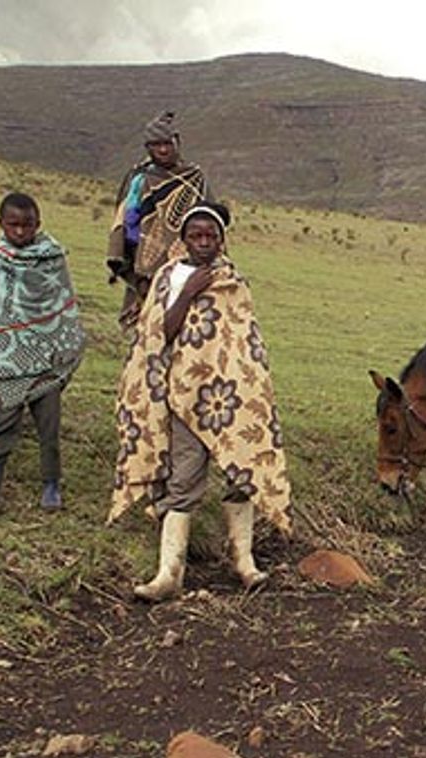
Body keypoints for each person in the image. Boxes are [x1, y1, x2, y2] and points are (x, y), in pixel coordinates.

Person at [110, 202, 291, 602]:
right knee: (185, 477)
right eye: (196, 235)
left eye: (211, 235)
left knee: (241, 470)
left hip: (231, 396)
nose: (204, 242)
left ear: (221, 239)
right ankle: (168, 573)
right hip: (183, 395)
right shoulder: (169, 278)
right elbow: (161, 332)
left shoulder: (233, 281)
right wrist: (188, 293)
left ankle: (243, 561)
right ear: (184, 239)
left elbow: (243, 341)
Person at [0, 193, 85, 514]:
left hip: (45, 358)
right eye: (13, 225)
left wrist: (54, 345)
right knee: (1, 420)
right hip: (6, 361)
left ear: (37, 224)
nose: (19, 232)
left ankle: (51, 485)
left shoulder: (52, 258)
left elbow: (63, 307)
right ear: (0, 224)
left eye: (27, 225)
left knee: (49, 425)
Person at [106, 110, 211, 329]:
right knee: (148, 332)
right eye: (156, 144)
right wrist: (137, 269)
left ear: (177, 142)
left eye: (167, 143)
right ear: (147, 148)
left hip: (189, 266)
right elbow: (125, 225)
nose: (163, 149)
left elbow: (212, 221)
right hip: (145, 269)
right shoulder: (139, 179)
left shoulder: (195, 178)